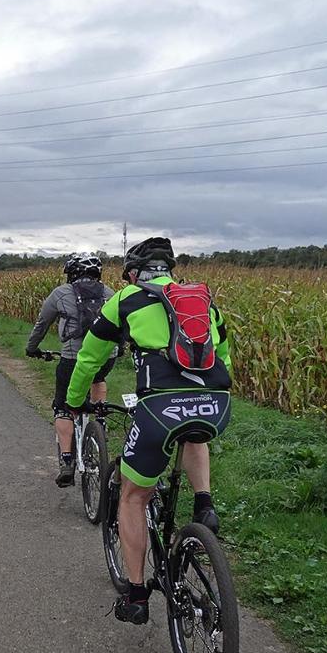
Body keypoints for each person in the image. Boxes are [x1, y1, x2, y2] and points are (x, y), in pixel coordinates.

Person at [65, 237, 231, 625]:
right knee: (193, 432)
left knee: (133, 497)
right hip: (215, 405)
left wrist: (74, 401)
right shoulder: (201, 301)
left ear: (132, 274)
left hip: (159, 410)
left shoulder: (126, 299)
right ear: (169, 270)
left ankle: (137, 596)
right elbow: (223, 354)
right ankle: (204, 505)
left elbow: (89, 357)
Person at [25, 254, 116, 487]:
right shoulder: (110, 293)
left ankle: (67, 460)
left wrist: (32, 348)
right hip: (106, 357)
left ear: (71, 273)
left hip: (73, 357)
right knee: (98, 377)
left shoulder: (60, 293)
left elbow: (42, 324)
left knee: (63, 405)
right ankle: (100, 420)